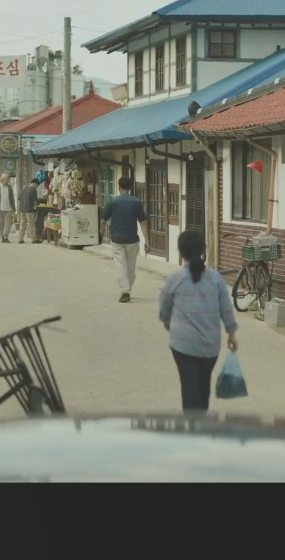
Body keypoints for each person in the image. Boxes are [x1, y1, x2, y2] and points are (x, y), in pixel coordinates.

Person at [158, 230, 239, 412]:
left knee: (190, 387)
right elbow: (226, 308)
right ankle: (201, 420)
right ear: (203, 250)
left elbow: (164, 304)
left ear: (181, 252)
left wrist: (166, 320)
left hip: (183, 345)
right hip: (210, 346)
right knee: (203, 386)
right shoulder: (216, 279)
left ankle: (194, 425)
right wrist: (231, 333)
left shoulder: (175, 278)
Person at [101, 176, 148, 303]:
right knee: (131, 267)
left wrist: (102, 230)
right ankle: (127, 290)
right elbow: (143, 222)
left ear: (119, 187)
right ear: (130, 187)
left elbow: (104, 220)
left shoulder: (113, 201)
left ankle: (125, 291)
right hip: (133, 239)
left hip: (117, 239)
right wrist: (147, 240)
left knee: (121, 265)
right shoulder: (136, 202)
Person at [18, 178, 41, 244]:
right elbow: (35, 201)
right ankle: (34, 239)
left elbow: (19, 198)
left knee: (22, 224)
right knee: (31, 224)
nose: (36, 187)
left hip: (22, 209)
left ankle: (20, 239)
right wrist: (36, 208)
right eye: (37, 186)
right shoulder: (33, 190)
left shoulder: (23, 189)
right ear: (34, 183)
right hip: (29, 210)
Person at [0, 172, 17, 243]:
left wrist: (14, 208)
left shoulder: (10, 187)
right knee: (1, 224)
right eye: (7, 179)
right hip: (0, 209)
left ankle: (5, 237)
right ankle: (2, 236)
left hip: (9, 209)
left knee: (7, 224)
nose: (8, 180)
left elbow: (12, 198)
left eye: (8, 179)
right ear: (2, 179)